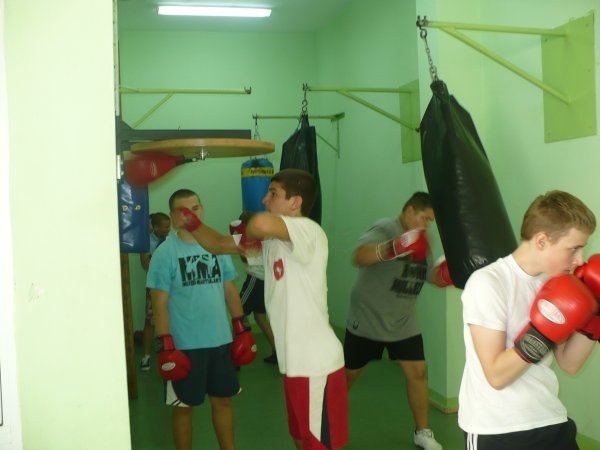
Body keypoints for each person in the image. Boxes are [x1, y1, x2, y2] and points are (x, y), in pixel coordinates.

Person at [175, 169, 348, 450]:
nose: (265, 199)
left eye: (273, 194)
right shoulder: (272, 243)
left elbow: (260, 223)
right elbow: (217, 245)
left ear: (295, 202)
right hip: (294, 364)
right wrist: (192, 223)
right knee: (300, 437)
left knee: (318, 444)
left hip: (316, 365)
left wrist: (248, 232)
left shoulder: (308, 230)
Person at [459, 190, 600, 450]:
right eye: (574, 248)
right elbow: (496, 376)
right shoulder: (488, 283)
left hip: (550, 418)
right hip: (497, 428)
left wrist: (596, 316)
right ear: (542, 240)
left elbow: (569, 363)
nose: (580, 259)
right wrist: (544, 331)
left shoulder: (554, 284)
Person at [146, 189, 256, 450]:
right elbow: (159, 303)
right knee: (184, 407)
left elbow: (229, 290)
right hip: (184, 345)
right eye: (184, 211)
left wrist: (241, 328)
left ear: (202, 209)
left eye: (195, 209)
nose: (191, 216)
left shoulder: (217, 246)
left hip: (220, 341)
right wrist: (166, 345)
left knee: (223, 401)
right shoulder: (165, 253)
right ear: (173, 216)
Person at [344, 191, 450, 450]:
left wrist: (445, 275)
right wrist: (393, 247)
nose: (427, 224)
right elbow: (358, 257)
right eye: (424, 218)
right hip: (369, 317)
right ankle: (324, 422)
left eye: (430, 221)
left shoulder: (422, 239)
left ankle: (422, 432)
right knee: (348, 376)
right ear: (409, 210)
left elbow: (427, 275)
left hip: (403, 319)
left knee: (418, 372)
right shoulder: (386, 228)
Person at [231, 211, 277, 364]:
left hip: (255, 280)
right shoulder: (264, 236)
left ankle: (235, 356)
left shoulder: (253, 239)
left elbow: (244, 258)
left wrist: (237, 238)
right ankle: (277, 351)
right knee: (260, 317)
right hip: (265, 281)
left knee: (238, 314)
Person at [139, 212, 171, 371]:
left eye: (169, 227)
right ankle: (146, 357)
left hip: (171, 286)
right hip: (154, 286)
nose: (168, 230)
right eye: (165, 227)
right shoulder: (146, 242)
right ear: (156, 227)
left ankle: (172, 353)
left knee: (172, 319)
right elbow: (145, 265)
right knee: (150, 322)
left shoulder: (171, 241)